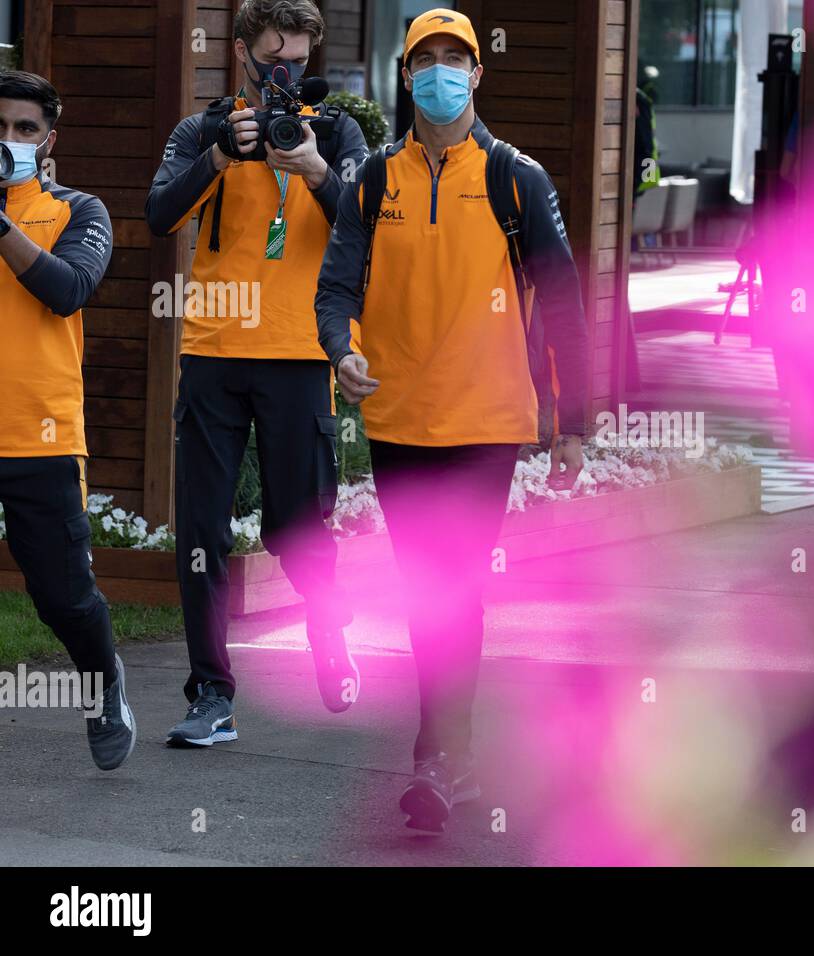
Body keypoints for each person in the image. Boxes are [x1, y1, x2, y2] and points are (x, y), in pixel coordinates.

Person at [315, 8, 590, 833]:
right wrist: (342, 349)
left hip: (487, 423)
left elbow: (567, 308)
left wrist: (571, 420)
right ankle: (446, 759)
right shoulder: (371, 180)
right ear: (406, 76)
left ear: (477, 74)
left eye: (453, 59)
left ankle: (440, 761)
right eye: (424, 59)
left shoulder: (517, 179)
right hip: (400, 422)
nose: (439, 72)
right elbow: (336, 290)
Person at [145, 0, 369, 745]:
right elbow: (156, 215)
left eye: (298, 63)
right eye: (272, 59)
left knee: (296, 529)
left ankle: (327, 629)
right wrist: (215, 156)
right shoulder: (201, 129)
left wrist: (311, 170)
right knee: (201, 532)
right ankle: (211, 693)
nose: (284, 76)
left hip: (300, 356)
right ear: (239, 49)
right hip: (211, 355)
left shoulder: (336, 132)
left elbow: (370, 235)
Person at [0, 70, 134, 770]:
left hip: (39, 434)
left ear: (49, 140)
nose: (10, 141)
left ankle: (103, 680)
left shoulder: (80, 210)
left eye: (25, 130)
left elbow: (67, 290)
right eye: (0, 127)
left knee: (62, 597)